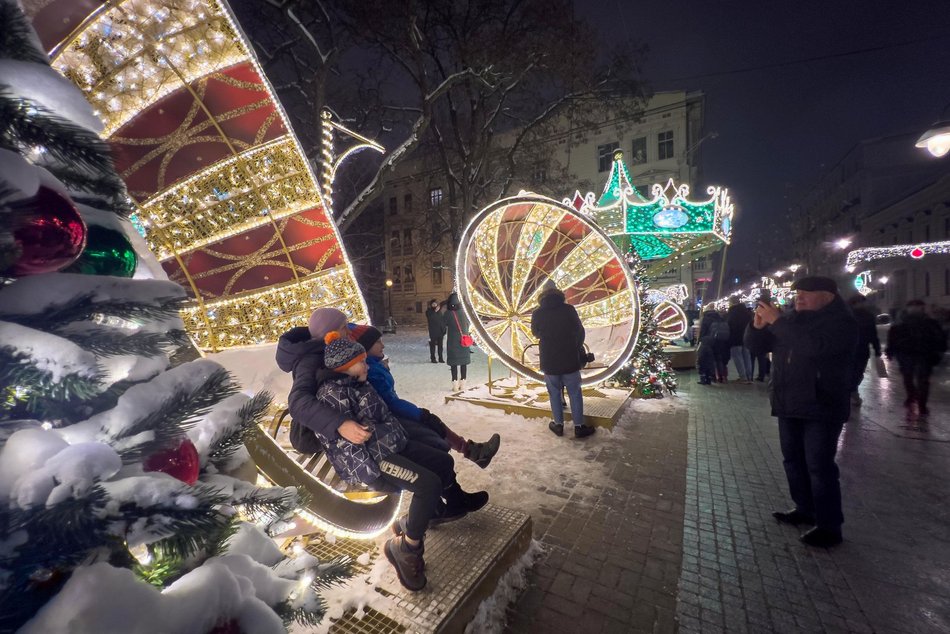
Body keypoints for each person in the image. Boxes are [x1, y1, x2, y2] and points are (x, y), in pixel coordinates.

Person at [275, 308, 487, 522]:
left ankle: (452, 498)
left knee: (430, 439)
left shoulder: (332, 346)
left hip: (365, 420)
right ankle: (432, 509)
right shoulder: (310, 359)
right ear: (330, 333)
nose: (348, 331)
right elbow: (298, 402)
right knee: (424, 440)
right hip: (338, 434)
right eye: (343, 328)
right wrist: (340, 424)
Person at [313, 331, 447, 591]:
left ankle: (412, 523)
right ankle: (406, 548)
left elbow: (380, 415)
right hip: (373, 462)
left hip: (391, 445)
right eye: (361, 361)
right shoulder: (331, 394)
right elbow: (343, 445)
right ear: (345, 366)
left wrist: (364, 384)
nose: (366, 365)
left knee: (443, 462)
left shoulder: (358, 383)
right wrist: (373, 473)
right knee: (428, 485)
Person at [745, 276, 857, 548]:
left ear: (828, 296)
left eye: (807, 292)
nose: (799, 297)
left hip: (821, 404)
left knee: (819, 466)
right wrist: (757, 327)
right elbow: (756, 347)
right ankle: (804, 509)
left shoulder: (841, 323)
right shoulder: (793, 320)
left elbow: (814, 347)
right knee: (792, 461)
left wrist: (779, 322)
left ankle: (830, 526)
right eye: (797, 293)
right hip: (789, 401)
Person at [352, 324, 501, 468]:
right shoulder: (370, 370)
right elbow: (390, 402)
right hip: (390, 418)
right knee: (431, 427)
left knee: (433, 424)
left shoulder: (374, 365)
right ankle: (471, 452)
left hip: (392, 414)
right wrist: (417, 413)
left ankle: (472, 451)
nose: (383, 346)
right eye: (378, 342)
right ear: (365, 347)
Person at [530, 280, 595, 439]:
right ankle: (579, 426)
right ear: (558, 292)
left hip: (549, 361)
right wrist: (575, 347)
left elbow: (535, 333)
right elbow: (580, 331)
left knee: (554, 393)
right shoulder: (569, 309)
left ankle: (558, 425)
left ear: (542, 294)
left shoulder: (537, 313)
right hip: (569, 359)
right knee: (574, 393)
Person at [886, 299, 947, 418]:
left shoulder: (929, 322)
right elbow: (893, 337)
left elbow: (939, 337)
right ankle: (913, 396)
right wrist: (891, 350)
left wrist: (939, 350)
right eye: (912, 306)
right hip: (907, 353)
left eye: (917, 306)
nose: (915, 309)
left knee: (922, 380)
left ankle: (921, 403)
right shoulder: (902, 323)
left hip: (923, 354)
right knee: (909, 377)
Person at [847, 294, 881, 406]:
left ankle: (852, 390)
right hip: (848, 350)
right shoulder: (845, 315)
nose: (862, 304)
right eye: (859, 302)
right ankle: (851, 391)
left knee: (859, 372)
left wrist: (877, 349)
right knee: (850, 372)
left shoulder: (868, 316)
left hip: (862, 349)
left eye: (862, 302)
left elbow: (873, 334)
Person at [443, 292, 473, 391]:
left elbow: (443, 324)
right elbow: (469, 324)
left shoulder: (448, 313)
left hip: (452, 342)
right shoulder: (464, 312)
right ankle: (463, 384)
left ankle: (455, 385)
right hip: (464, 341)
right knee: (463, 363)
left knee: (454, 364)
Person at [726, 297, 753, 383]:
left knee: (737, 357)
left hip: (736, 338)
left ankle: (743, 377)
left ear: (731, 302)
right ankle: (749, 376)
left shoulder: (732, 312)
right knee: (747, 357)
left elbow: (729, 325)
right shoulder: (746, 312)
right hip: (747, 338)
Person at [425, 299, 446, 363]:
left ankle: (440, 358)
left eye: (435, 304)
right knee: (433, 346)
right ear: (431, 305)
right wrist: (435, 311)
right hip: (433, 332)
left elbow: (442, 321)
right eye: (433, 304)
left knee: (440, 346)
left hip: (440, 331)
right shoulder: (428, 311)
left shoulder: (440, 312)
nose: (434, 305)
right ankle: (433, 358)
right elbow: (431, 318)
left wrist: (444, 329)